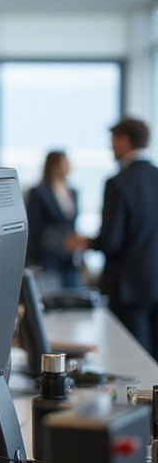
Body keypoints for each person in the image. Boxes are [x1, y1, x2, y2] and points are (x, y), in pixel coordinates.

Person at [69, 119, 158, 358]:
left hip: (128, 287)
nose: (111, 148)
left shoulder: (118, 183)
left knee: (134, 361)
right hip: (155, 282)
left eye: (113, 142)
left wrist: (87, 242)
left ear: (124, 140)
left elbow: (111, 241)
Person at [25, 150, 80, 288]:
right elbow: (34, 227)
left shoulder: (72, 192)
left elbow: (73, 226)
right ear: (54, 165)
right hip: (48, 258)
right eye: (65, 163)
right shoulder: (39, 192)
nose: (68, 166)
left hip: (69, 259)